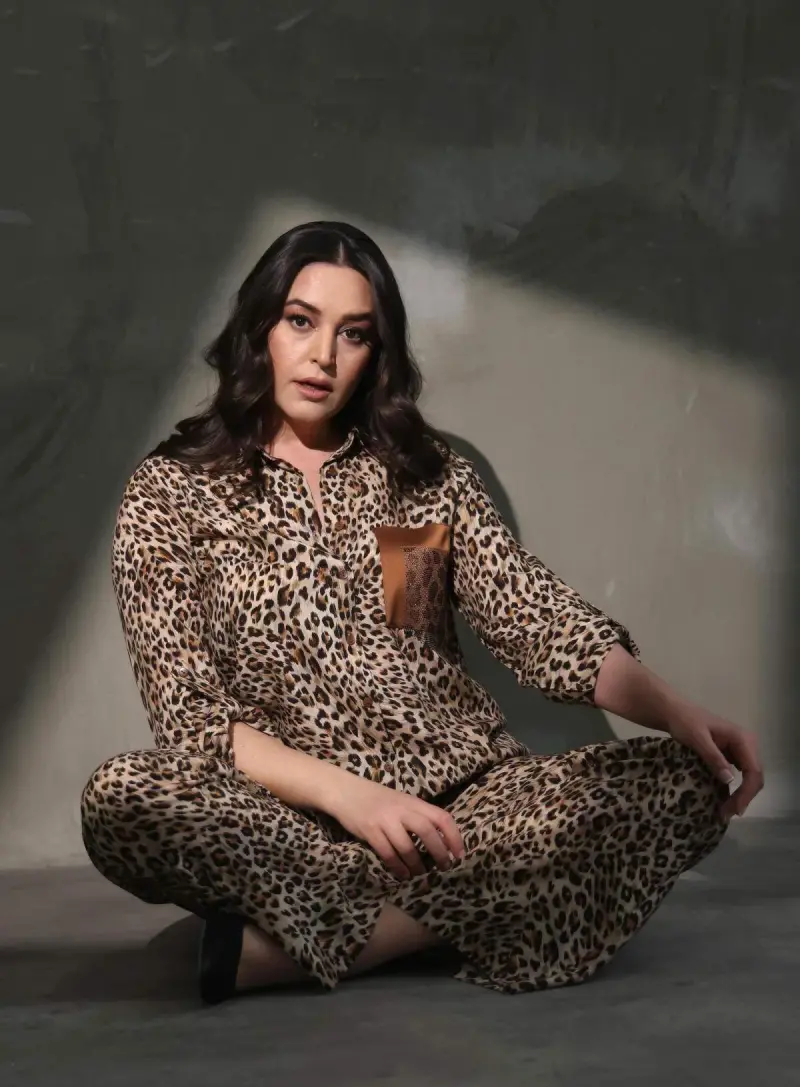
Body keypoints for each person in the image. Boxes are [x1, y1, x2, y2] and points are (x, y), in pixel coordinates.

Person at [81, 220, 763, 1005]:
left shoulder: (418, 477)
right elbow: (193, 721)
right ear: (259, 327)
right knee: (123, 797)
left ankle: (327, 942)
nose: (323, 355)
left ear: (377, 354)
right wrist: (355, 799)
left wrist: (676, 710)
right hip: (297, 823)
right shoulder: (172, 494)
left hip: (468, 807)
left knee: (685, 782)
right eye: (300, 321)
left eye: (354, 334)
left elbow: (534, 619)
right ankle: (440, 910)